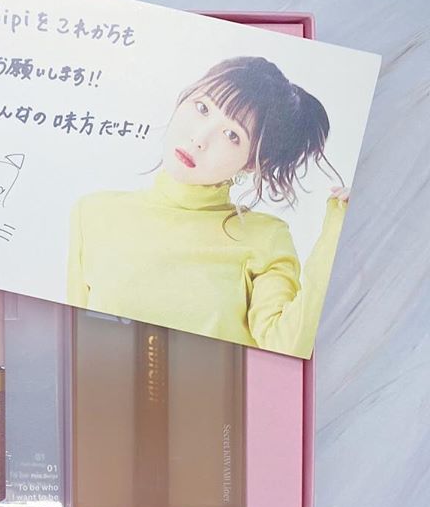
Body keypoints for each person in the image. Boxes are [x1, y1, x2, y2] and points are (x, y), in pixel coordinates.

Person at [66, 57, 347, 357]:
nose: (199, 139)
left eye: (232, 135)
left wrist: (338, 228)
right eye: (202, 108)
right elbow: (75, 344)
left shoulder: (265, 237)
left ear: (251, 163)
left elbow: (286, 346)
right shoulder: (93, 213)